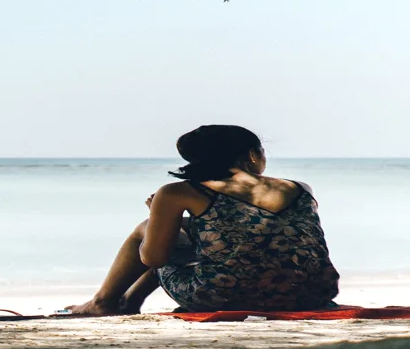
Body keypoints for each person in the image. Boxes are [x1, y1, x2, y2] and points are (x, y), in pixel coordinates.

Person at [69, 125, 340, 315]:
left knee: (148, 231)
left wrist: (157, 217)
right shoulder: (300, 188)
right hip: (313, 293)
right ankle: (126, 302)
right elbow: (255, 234)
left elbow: (154, 259)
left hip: (226, 296)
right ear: (252, 155)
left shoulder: (179, 191)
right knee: (190, 234)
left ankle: (104, 302)